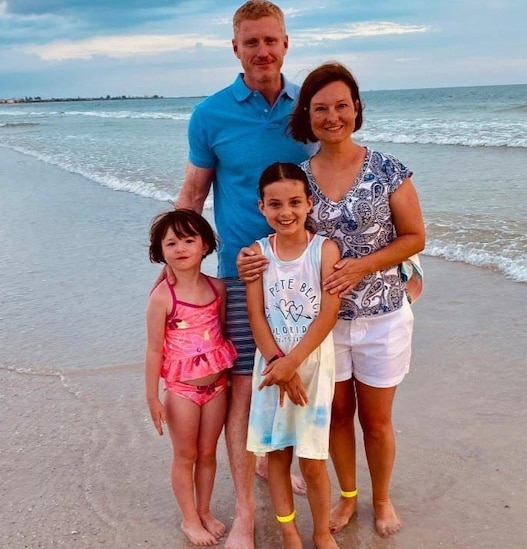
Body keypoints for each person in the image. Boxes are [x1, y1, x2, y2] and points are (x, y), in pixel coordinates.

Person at [239, 62, 426, 537]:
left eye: (342, 105)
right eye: (320, 108)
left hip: (383, 313)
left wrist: (364, 265)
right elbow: (283, 242)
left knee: (378, 421)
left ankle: (381, 500)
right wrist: (247, 263)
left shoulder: (388, 170)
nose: (332, 116)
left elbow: (415, 237)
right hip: (321, 326)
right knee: (338, 417)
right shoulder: (298, 179)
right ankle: (348, 497)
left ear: (356, 109)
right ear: (308, 115)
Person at [172, 1, 316, 547]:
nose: (263, 51)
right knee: (242, 390)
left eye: (271, 40)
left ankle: (281, 461)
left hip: (303, 273)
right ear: (235, 48)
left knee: (297, 374)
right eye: (251, 42)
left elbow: (336, 185)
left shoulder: (311, 107)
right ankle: (247, 517)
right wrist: (179, 273)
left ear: (286, 44)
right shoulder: (210, 114)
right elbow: (193, 195)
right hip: (242, 272)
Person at [245, 163, 341, 549]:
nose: (286, 211)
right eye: (275, 204)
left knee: (314, 459)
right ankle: (289, 532)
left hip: (312, 366)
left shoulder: (324, 249)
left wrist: (292, 363)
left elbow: (329, 312)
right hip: (270, 369)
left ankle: (320, 532)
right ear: (262, 208)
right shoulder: (257, 253)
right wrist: (278, 365)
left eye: (295, 202)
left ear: (309, 203)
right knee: (278, 455)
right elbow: (256, 313)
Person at [145, 210, 238, 547]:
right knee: (186, 455)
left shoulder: (217, 288)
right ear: (160, 251)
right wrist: (153, 397)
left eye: (188, 240)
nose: (180, 248)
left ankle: (204, 510)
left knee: (209, 453)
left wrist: (226, 381)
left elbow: (221, 333)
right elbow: (154, 350)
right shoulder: (162, 297)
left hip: (216, 387)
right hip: (182, 390)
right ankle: (188, 519)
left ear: (205, 245)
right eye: (171, 242)